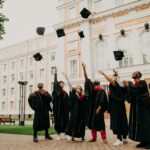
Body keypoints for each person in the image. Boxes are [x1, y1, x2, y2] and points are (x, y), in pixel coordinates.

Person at [100, 70, 128, 146]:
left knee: (117, 122)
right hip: (121, 106)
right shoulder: (122, 86)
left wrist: (104, 74)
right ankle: (124, 138)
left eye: (114, 77)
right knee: (123, 121)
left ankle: (119, 139)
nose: (112, 78)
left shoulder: (116, 85)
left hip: (116, 106)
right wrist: (116, 74)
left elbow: (112, 81)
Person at [82, 63, 108, 143]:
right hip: (94, 110)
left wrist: (99, 108)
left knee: (98, 124)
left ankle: (101, 139)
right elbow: (87, 80)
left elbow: (102, 100)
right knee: (94, 124)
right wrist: (84, 69)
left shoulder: (100, 91)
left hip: (97, 110)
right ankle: (97, 138)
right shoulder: (95, 91)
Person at [124, 71, 150, 149]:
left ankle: (149, 142)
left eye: (135, 77)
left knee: (145, 125)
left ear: (139, 77)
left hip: (143, 108)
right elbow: (131, 94)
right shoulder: (134, 85)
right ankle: (142, 141)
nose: (134, 79)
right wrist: (127, 87)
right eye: (133, 78)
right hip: (136, 109)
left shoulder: (142, 82)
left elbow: (138, 90)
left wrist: (129, 85)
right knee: (139, 125)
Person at [62, 72, 87, 142]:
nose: (78, 86)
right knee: (74, 123)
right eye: (77, 86)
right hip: (75, 110)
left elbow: (85, 101)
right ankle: (72, 136)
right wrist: (67, 78)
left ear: (81, 88)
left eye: (79, 86)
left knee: (81, 123)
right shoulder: (74, 91)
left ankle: (82, 136)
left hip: (81, 111)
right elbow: (70, 85)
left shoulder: (83, 93)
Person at [52, 68, 69, 140]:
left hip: (64, 110)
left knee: (65, 121)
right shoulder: (57, 90)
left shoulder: (65, 93)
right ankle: (58, 134)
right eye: (61, 83)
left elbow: (68, 101)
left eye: (63, 83)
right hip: (57, 109)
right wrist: (55, 73)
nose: (62, 84)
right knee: (58, 121)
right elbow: (55, 81)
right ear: (58, 84)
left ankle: (66, 134)